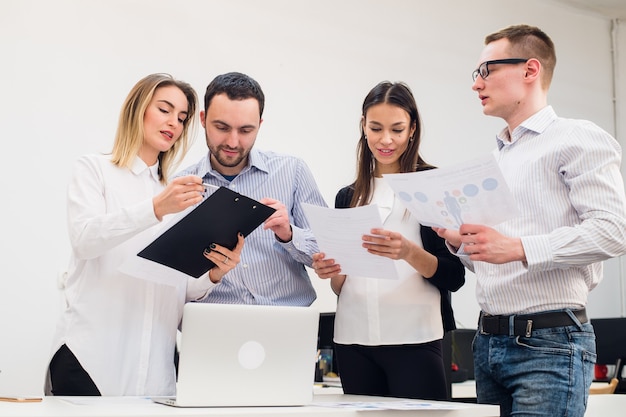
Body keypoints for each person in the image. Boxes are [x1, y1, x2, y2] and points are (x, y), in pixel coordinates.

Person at [434, 24, 626, 416]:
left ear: (530, 70)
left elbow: (614, 230)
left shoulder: (577, 138)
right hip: (487, 344)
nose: (477, 84)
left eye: (486, 70)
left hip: (549, 343)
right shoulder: (497, 157)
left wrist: (519, 247)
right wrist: (461, 242)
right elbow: (495, 261)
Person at [46, 73, 244, 396]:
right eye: (164, 110)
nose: (174, 123)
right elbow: (85, 239)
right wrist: (153, 209)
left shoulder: (175, 194)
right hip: (90, 361)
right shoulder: (95, 170)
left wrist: (213, 273)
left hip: (154, 372)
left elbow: (177, 286)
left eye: (181, 118)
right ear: (138, 109)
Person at [311, 81, 466, 400]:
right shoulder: (348, 196)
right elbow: (341, 286)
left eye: (396, 129)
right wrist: (332, 270)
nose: (385, 140)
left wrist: (409, 252)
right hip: (353, 341)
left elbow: (455, 276)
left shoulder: (432, 187)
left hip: (415, 338)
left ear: (412, 130)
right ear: (363, 128)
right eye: (376, 128)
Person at [176, 72, 327, 306]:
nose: (233, 142)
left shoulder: (293, 171)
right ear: (203, 119)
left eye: (246, 130)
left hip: (287, 323)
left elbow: (327, 254)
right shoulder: (180, 186)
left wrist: (289, 234)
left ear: (259, 125)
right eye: (222, 127)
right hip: (214, 326)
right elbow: (172, 282)